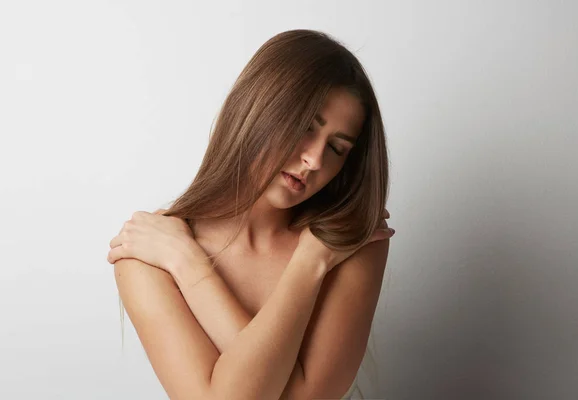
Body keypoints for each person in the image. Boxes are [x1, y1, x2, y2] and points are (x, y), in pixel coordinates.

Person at [107, 29, 394, 399]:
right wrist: (186, 259)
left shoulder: (347, 243)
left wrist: (311, 259)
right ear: (258, 109)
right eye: (306, 128)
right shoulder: (148, 252)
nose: (314, 159)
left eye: (337, 148)